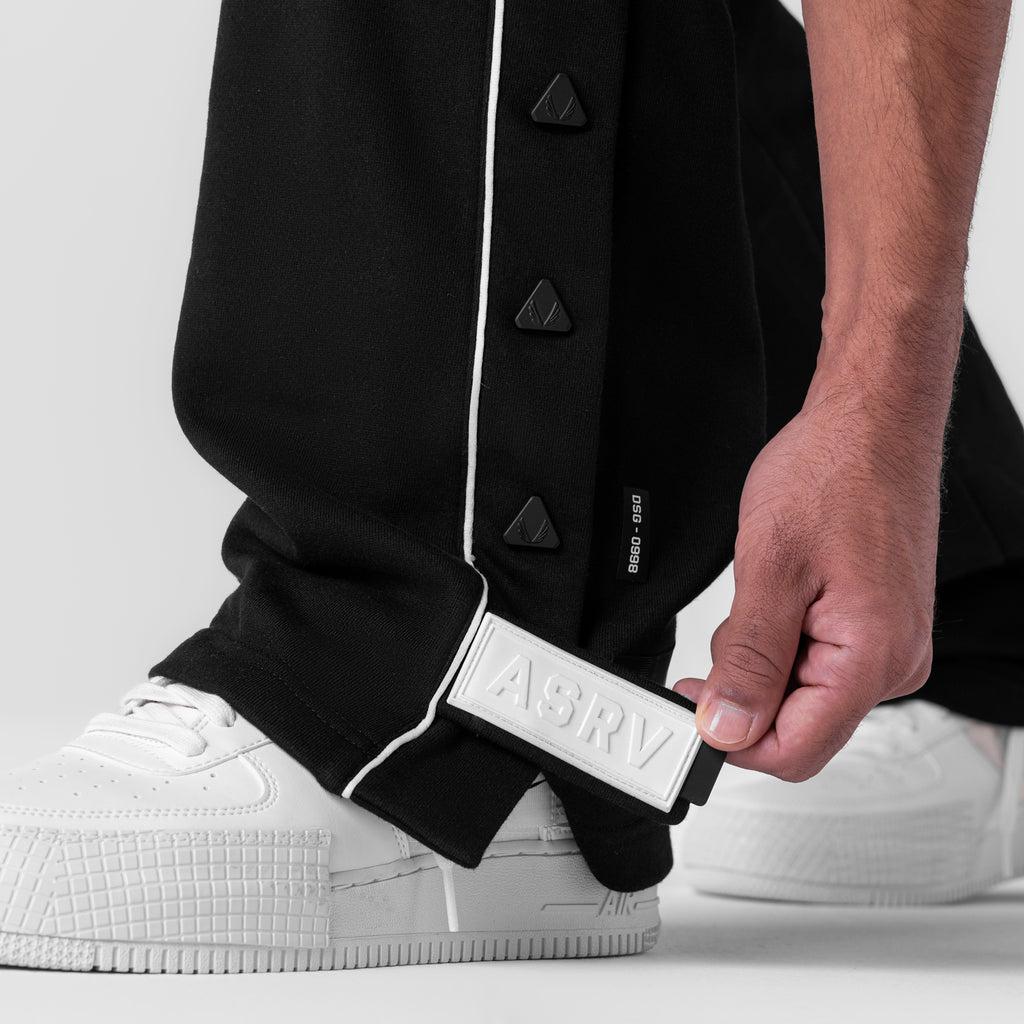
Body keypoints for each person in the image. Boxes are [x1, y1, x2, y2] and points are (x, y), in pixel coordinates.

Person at [0, 0, 1017, 973]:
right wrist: (879, 427)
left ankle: (430, 695)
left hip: (453, 709)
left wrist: (882, 412)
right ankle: (984, 620)